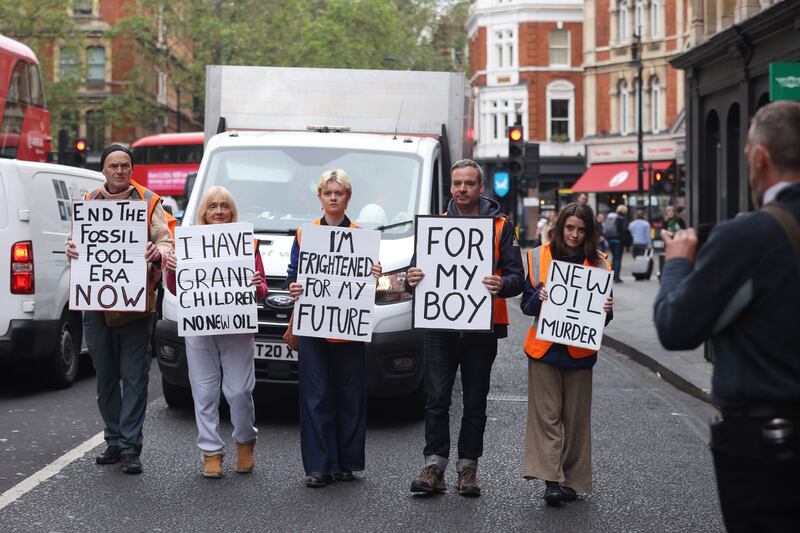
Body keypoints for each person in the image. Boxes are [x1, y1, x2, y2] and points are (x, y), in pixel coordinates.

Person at [654, 101, 800, 531]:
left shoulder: (750, 235)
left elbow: (675, 327)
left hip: (769, 448)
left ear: (760, 158)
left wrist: (678, 261)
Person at [406, 159, 524, 497]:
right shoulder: (436, 226)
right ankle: (434, 465)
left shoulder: (501, 227)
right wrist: (412, 278)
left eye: (468, 184)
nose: (461, 189)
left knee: (475, 401)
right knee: (437, 397)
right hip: (440, 326)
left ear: (481, 187)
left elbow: (518, 278)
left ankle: (468, 468)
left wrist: (501, 283)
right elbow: (418, 272)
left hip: (482, 327)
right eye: (456, 183)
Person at [66, 144, 175, 475]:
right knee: (106, 377)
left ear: (132, 169)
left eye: (125, 165)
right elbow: (77, 242)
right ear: (103, 170)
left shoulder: (149, 202)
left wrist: (156, 250)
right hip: (96, 305)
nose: (119, 171)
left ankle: (130, 447)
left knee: (135, 376)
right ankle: (113, 440)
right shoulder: (89, 203)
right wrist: (71, 247)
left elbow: (167, 242)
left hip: (136, 305)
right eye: (113, 165)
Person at [286, 169, 382, 488]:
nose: (332, 198)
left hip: (348, 329)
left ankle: (346, 463)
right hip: (313, 327)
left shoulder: (361, 236)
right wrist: (294, 287)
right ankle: (318, 466)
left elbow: (367, 283)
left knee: (349, 396)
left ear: (348, 197)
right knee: (315, 397)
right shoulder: (305, 234)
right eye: (327, 193)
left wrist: (374, 274)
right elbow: (293, 273)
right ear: (319, 197)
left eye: (338, 193)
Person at [164, 186, 267, 478]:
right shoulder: (187, 244)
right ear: (203, 213)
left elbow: (261, 291)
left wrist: (255, 283)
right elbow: (176, 289)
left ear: (232, 211)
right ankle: (211, 451)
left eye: (224, 206)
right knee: (205, 391)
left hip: (236, 329)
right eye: (212, 207)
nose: (219, 211)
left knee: (239, 391)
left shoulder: (248, 243)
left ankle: (245, 440)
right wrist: (172, 269)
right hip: (200, 329)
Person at [520, 203, 613, 506]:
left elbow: (601, 319)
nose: (574, 234)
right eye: (569, 227)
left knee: (575, 420)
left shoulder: (600, 265)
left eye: (581, 229)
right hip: (543, 350)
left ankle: (572, 480)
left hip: (579, 352)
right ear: (560, 227)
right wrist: (539, 297)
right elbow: (526, 306)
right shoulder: (538, 256)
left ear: (589, 232)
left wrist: (607, 311)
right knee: (546, 417)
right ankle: (552, 481)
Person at [602, 204, 628, 282]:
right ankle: (617, 277)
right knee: (618, 259)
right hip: (618, 241)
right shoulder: (622, 218)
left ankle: (612, 276)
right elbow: (624, 229)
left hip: (610, 240)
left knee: (614, 258)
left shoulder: (611, 217)